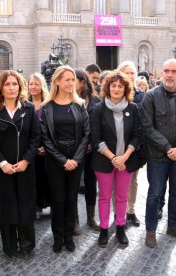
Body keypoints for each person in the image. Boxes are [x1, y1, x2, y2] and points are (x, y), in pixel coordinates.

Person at [0, 70, 40, 259]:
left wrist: (26, 160)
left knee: (25, 205)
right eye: (7, 84)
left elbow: (35, 136)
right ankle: (9, 246)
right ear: (1, 87)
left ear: (20, 86)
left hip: (25, 168)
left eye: (15, 83)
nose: (11, 87)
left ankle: (27, 244)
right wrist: (1, 162)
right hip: (2, 170)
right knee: (5, 208)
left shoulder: (28, 108)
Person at [141, 59, 176, 248]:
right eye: (166, 71)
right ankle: (150, 230)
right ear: (161, 73)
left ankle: (173, 226)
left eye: (174, 71)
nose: (170, 74)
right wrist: (167, 148)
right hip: (157, 156)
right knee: (155, 194)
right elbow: (147, 128)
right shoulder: (150, 96)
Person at [40, 65, 90, 253]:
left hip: (76, 160)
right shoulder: (47, 107)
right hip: (54, 161)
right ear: (57, 82)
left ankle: (69, 236)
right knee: (57, 199)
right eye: (67, 79)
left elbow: (87, 134)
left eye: (73, 79)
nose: (71, 83)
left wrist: (75, 159)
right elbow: (45, 138)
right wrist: (63, 160)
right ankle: (57, 237)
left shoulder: (80, 105)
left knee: (71, 199)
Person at [91, 70, 141, 248]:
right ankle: (104, 229)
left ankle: (120, 226)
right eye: (113, 85)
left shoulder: (133, 108)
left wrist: (125, 157)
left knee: (121, 196)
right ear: (108, 87)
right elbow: (95, 138)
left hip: (126, 162)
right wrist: (113, 158)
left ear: (126, 88)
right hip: (104, 161)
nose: (117, 89)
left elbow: (136, 136)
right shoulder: (99, 109)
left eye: (120, 86)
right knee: (104, 196)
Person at [74, 69, 101, 233]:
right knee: (74, 185)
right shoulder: (67, 100)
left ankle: (91, 217)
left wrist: (91, 143)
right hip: (74, 150)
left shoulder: (96, 101)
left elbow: (98, 125)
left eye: (73, 80)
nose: (70, 83)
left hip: (92, 151)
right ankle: (74, 219)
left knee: (91, 184)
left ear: (82, 82)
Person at [117, 60, 143, 227]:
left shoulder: (142, 95)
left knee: (133, 180)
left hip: (135, 146)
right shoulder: (115, 91)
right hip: (116, 146)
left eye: (133, 73)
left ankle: (130, 210)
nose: (131, 76)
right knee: (116, 182)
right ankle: (118, 213)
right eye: (127, 72)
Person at [28, 73, 51, 219]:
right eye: (31, 84)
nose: (33, 87)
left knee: (46, 178)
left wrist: (46, 147)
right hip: (30, 148)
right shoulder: (24, 103)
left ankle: (46, 203)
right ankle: (35, 206)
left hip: (47, 147)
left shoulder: (48, 104)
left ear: (42, 85)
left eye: (36, 84)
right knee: (33, 179)